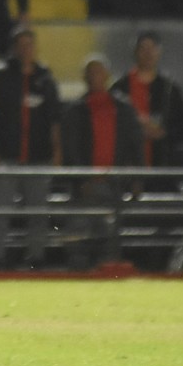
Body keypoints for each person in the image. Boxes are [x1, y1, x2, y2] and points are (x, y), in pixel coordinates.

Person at [0, 26, 61, 270]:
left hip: (38, 155)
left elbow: (54, 118)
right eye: (21, 45)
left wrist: (56, 150)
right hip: (4, 155)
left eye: (29, 44)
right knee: (0, 209)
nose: (26, 50)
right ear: (14, 48)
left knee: (38, 211)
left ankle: (36, 257)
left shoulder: (45, 78)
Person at [61, 55, 143, 268]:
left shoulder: (123, 109)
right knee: (80, 236)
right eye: (90, 73)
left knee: (109, 237)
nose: (94, 77)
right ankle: (78, 272)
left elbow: (135, 144)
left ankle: (106, 272)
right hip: (85, 185)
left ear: (106, 76)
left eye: (98, 72)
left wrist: (136, 179)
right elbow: (70, 148)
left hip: (113, 183)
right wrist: (81, 180)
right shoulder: (75, 110)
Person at [111, 32, 183, 167]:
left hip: (162, 161)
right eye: (143, 48)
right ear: (135, 52)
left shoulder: (170, 90)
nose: (148, 53)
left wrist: (164, 133)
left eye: (152, 48)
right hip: (127, 162)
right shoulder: (120, 88)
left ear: (159, 52)